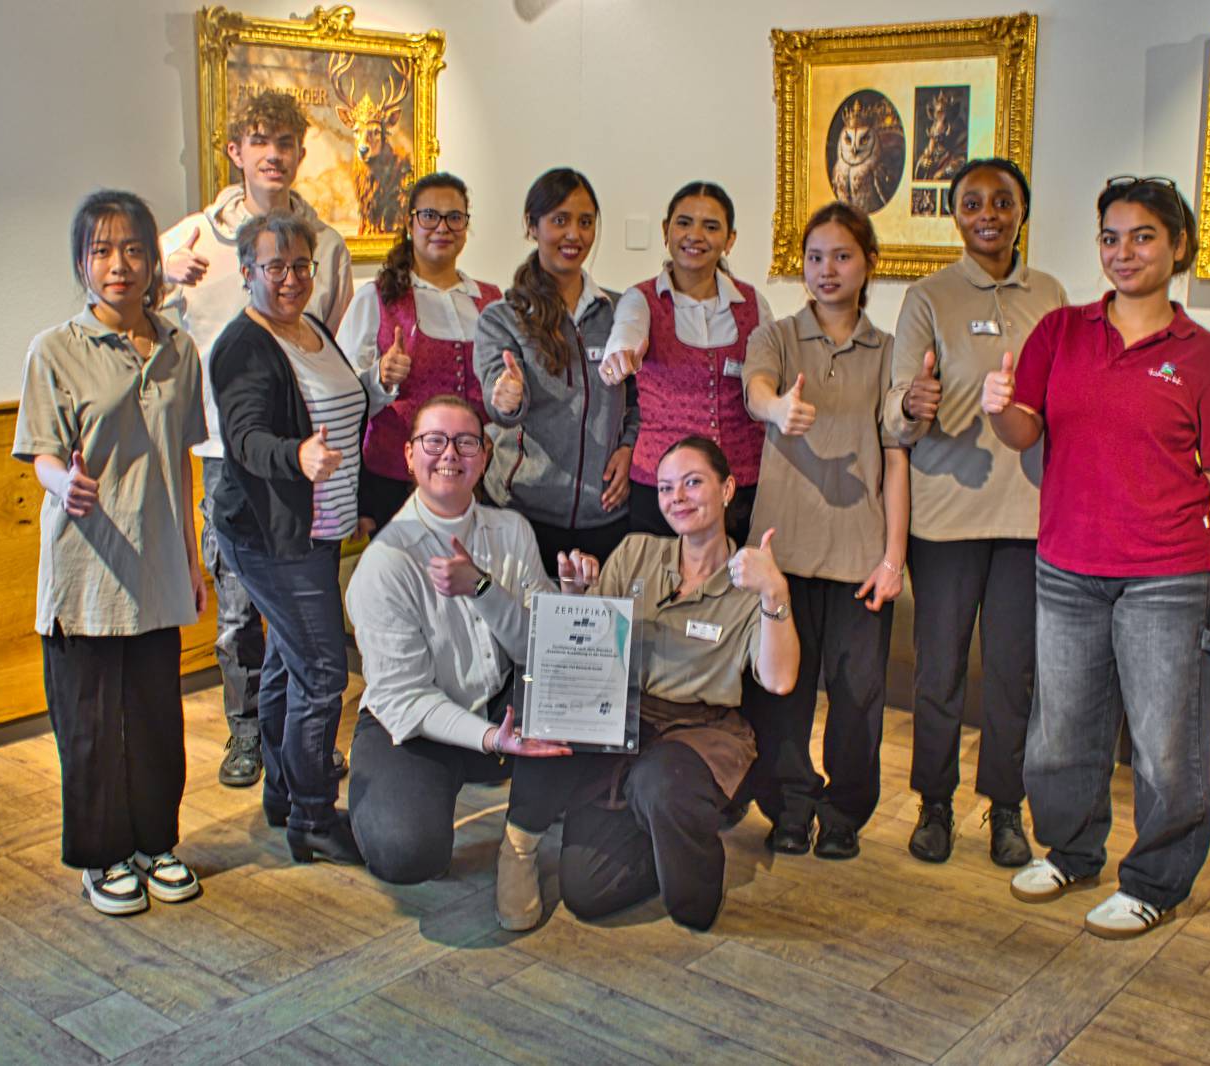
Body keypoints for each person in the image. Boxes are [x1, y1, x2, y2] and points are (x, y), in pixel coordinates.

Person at [984, 175, 1210, 939]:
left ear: (1177, 248)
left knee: (1167, 747)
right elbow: (1025, 435)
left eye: (1142, 237)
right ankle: (1071, 850)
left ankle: (1158, 881)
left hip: (1168, 577)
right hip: (1067, 566)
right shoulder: (1059, 333)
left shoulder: (1208, 359)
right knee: (1061, 732)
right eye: (1110, 236)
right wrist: (999, 413)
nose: (1123, 251)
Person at [502, 436, 799, 932]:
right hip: (625, 721)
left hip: (700, 736)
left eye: (692, 482)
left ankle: (695, 885)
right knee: (586, 891)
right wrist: (578, 597)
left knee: (659, 784)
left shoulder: (752, 577)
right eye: (665, 487)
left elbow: (780, 678)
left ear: (727, 489)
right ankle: (657, 832)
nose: (676, 497)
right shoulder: (636, 552)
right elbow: (591, 654)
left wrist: (775, 590)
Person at [13, 190, 207, 916]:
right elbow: (39, 453)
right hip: (85, 566)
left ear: (154, 260)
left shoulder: (180, 351)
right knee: (91, 722)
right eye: (101, 250)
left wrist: (191, 560)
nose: (118, 264)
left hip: (156, 561)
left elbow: (180, 463)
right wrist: (65, 482)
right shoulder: (54, 349)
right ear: (81, 264)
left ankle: (156, 843)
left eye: (131, 249)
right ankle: (103, 856)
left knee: (156, 716)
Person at [161, 88, 356, 789]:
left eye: (286, 143)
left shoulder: (326, 246)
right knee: (242, 608)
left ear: (301, 155)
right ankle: (248, 736)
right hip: (226, 454)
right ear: (235, 151)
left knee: (304, 613)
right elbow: (135, 321)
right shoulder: (189, 241)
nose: (273, 155)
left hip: (311, 465)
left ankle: (287, 752)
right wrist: (160, 278)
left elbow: (322, 340)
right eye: (259, 141)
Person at [883, 158, 1068, 867]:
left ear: (1023, 210)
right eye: (971, 203)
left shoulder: (1050, 294)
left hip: (1027, 519)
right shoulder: (928, 296)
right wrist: (912, 403)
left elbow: (1065, 401)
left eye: (1001, 201)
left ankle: (1006, 808)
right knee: (939, 674)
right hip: (945, 518)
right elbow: (898, 404)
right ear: (954, 215)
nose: (986, 213)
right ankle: (933, 803)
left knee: (1014, 674)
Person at [344, 395, 573, 890]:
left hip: (497, 706)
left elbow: (541, 653)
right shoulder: (385, 563)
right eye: (434, 440)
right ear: (409, 455)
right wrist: (492, 740)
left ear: (484, 455)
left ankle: (522, 838)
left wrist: (483, 589)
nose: (450, 453)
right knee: (405, 854)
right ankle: (380, 806)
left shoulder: (513, 531)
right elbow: (407, 695)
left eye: (466, 442)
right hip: (415, 724)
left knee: (571, 687)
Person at [737, 201, 908, 861]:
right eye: (815, 257)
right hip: (784, 550)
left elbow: (897, 457)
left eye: (842, 256)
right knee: (781, 693)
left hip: (860, 553)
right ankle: (787, 805)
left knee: (858, 698)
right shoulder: (777, 336)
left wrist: (894, 556)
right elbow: (756, 390)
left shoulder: (891, 352)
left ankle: (844, 812)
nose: (827, 270)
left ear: (867, 264)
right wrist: (777, 406)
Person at [207, 211, 377, 866]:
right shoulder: (243, 347)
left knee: (288, 661)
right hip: (274, 535)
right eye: (275, 266)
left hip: (321, 526)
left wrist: (378, 388)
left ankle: (282, 794)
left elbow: (340, 407)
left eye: (301, 265)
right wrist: (297, 458)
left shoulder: (310, 328)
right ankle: (311, 817)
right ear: (247, 272)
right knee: (321, 672)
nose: (290, 278)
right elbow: (246, 437)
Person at [476, 167, 639, 577]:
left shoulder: (621, 312)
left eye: (585, 222)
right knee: (521, 633)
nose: (574, 235)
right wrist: (507, 395)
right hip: (524, 513)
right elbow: (501, 404)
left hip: (605, 513)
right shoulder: (503, 318)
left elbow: (639, 401)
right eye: (559, 220)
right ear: (532, 226)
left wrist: (628, 447)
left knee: (597, 635)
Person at [598, 182, 772, 545]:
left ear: (730, 239)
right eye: (684, 223)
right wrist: (621, 353)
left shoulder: (754, 304)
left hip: (739, 485)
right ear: (666, 231)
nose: (695, 235)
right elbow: (627, 330)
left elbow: (770, 373)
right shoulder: (641, 298)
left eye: (711, 227)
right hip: (660, 488)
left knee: (734, 593)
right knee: (657, 590)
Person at [339, 172, 502, 531]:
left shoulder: (491, 300)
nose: (442, 227)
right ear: (411, 222)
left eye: (454, 218)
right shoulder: (376, 297)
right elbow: (343, 397)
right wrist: (380, 377)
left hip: (475, 479)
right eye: (430, 216)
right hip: (396, 481)